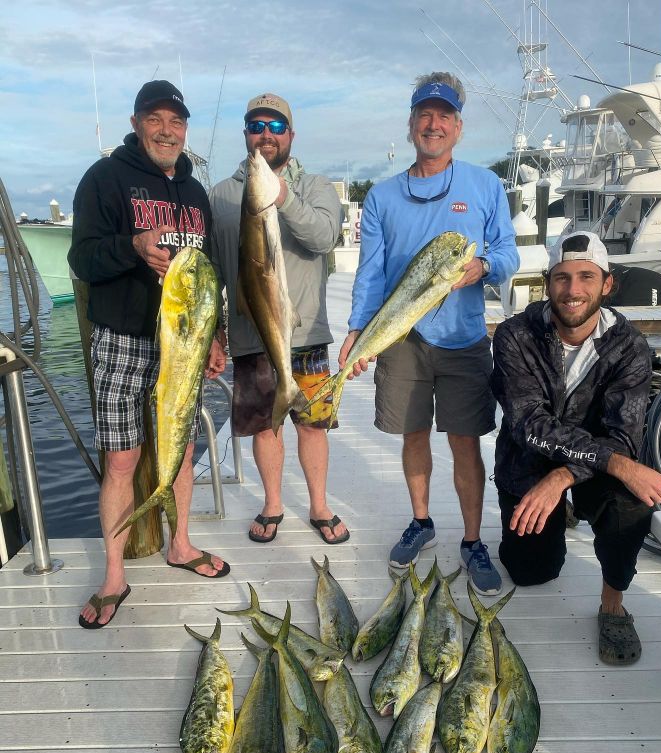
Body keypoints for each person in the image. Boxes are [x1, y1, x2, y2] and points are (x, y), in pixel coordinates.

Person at [340, 72, 519, 592]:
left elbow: (508, 252)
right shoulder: (381, 196)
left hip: (463, 336)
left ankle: (471, 540)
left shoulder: (485, 185)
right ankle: (421, 522)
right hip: (402, 339)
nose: (433, 124)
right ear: (412, 124)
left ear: (458, 128)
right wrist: (358, 330)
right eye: (425, 115)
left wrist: (483, 266)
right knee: (412, 433)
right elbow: (370, 272)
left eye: (444, 116)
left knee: (465, 441)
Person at [68, 80, 229, 629]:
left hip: (182, 343)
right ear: (137, 123)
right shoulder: (105, 179)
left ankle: (180, 544)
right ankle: (114, 575)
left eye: (176, 122)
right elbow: (83, 259)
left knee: (180, 450)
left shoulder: (196, 192)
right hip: (122, 338)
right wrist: (133, 246)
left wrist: (214, 337)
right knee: (122, 460)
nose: (167, 130)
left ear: (185, 130)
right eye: (155, 119)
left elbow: (210, 277)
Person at [490, 230, 661, 664]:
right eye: (562, 277)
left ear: (607, 284)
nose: (573, 290)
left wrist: (564, 476)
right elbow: (526, 423)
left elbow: (624, 434)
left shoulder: (629, 346)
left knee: (630, 502)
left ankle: (613, 605)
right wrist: (573, 470)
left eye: (586, 277)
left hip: (591, 465)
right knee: (531, 571)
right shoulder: (515, 335)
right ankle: (562, 509)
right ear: (548, 283)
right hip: (530, 458)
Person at [210, 93, 347, 545]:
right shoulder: (222, 195)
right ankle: (272, 503)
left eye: (275, 126)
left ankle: (320, 505)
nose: (265, 134)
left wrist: (282, 196)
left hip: (306, 334)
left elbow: (324, 238)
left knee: (313, 424)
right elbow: (211, 269)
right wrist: (215, 333)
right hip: (252, 333)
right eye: (256, 126)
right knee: (265, 426)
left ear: (290, 135)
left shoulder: (316, 187)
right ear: (246, 133)